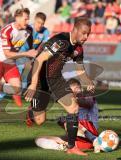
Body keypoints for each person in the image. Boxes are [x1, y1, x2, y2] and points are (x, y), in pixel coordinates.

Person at [24, 17, 95, 156]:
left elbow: (80, 69)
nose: (86, 37)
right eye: (84, 33)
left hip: (56, 79)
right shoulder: (61, 42)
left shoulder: (79, 48)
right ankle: (31, 112)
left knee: (73, 108)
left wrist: (87, 80)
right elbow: (39, 59)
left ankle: (72, 147)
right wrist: (32, 84)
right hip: (39, 79)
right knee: (40, 121)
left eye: (88, 34)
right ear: (75, 30)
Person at [0, 8, 38, 125]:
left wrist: (31, 53)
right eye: (25, 18)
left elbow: (30, 43)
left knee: (17, 88)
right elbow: (7, 53)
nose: (27, 20)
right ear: (17, 18)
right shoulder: (7, 30)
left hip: (9, 62)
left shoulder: (29, 29)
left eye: (28, 18)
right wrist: (26, 53)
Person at [0, 12, 49, 111]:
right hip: (21, 56)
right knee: (17, 80)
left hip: (30, 57)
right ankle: (3, 98)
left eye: (42, 23)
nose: (40, 25)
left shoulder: (45, 32)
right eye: (39, 22)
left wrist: (37, 55)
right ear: (35, 21)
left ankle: (0, 98)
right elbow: (19, 44)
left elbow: (45, 45)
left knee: (23, 81)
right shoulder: (28, 29)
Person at [35, 78, 101, 153]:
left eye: (75, 90)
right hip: (80, 137)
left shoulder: (86, 97)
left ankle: (94, 140)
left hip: (90, 133)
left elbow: (85, 100)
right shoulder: (71, 101)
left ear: (81, 89)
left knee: (65, 120)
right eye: (71, 93)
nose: (73, 95)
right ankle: (61, 146)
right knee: (39, 139)